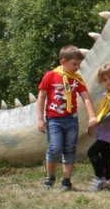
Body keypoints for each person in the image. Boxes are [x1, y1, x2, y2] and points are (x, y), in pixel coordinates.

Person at [36, 45, 98, 191]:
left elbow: (86, 97)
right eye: (74, 64)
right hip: (54, 119)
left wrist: (92, 116)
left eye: (79, 64)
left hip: (71, 119)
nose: (77, 67)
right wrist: (40, 118)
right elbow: (41, 97)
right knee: (54, 148)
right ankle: (50, 176)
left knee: (69, 149)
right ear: (63, 62)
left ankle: (66, 180)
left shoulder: (77, 79)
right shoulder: (50, 76)